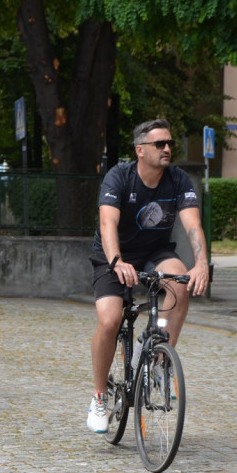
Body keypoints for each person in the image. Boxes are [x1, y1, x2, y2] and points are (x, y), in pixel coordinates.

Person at [86, 118, 209, 433]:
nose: (167, 149)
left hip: (155, 253)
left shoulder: (178, 180)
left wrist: (201, 263)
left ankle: (160, 361)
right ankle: (99, 395)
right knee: (110, 320)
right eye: (160, 144)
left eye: (170, 143)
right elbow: (107, 224)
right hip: (113, 256)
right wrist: (116, 261)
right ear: (140, 150)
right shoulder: (119, 177)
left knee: (180, 285)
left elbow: (193, 224)